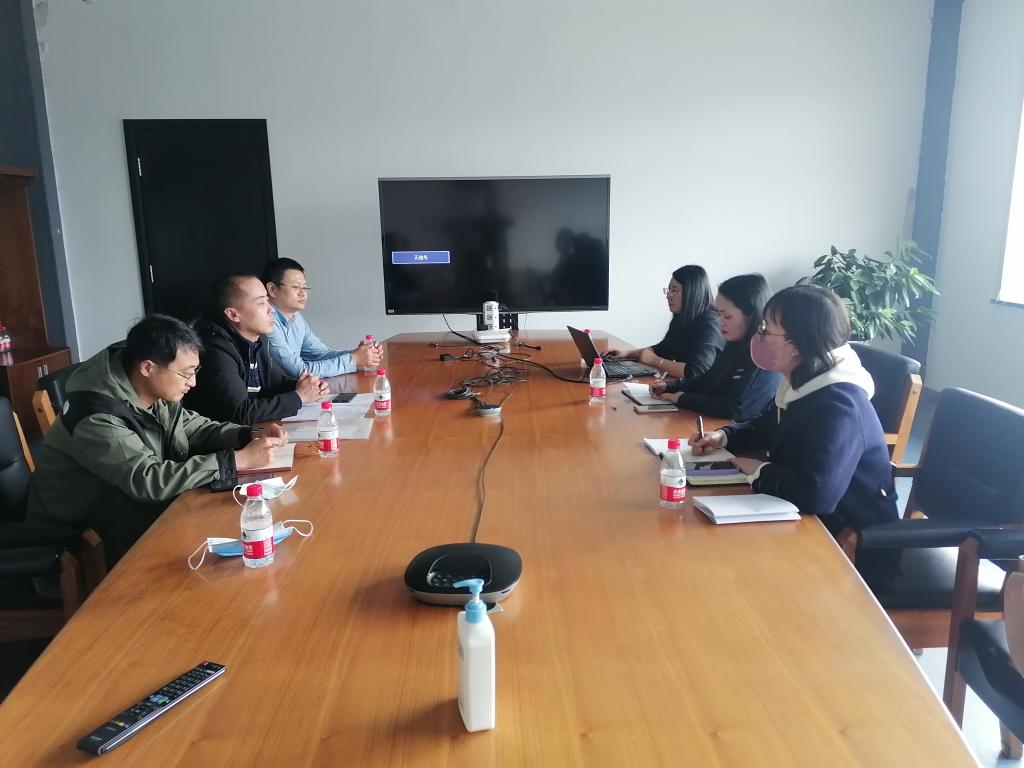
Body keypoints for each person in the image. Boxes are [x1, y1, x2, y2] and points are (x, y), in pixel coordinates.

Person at [27, 314, 287, 568]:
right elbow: (147, 479)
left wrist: (248, 433)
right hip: (83, 526)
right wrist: (236, 460)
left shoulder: (147, 384)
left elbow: (189, 426)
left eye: (195, 370)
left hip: (127, 502)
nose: (193, 382)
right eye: (186, 373)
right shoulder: (96, 416)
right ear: (148, 368)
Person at [689, 285, 898, 582]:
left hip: (852, 543)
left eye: (767, 330)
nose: (759, 336)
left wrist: (759, 470)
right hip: (802, 517)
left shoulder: (840, 403)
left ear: (798, 343)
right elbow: (767, 425)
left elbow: (817, 494)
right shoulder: (803, 379)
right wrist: (723, 437)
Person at [185, 275, 328, 424]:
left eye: (267, 300)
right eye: (261, 303)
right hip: (221, 435)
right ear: (233, 314)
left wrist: (307, 386)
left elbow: (274, 383)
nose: (271, 310)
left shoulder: (257, 339)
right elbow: (240, 412)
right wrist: (299, 397)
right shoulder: (214, 349)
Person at [649, 274, 781, 421]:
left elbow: (736, 408)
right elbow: (708, 379)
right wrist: (670, 386)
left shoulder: (765, 355)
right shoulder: (736, 343)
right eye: (719, 314)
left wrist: (682, 398)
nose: (720, 322)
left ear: (751, 315)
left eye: (727, 316)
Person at [262, 257, 383, 377]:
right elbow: (299, 370)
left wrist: (361, 354)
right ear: (272, 289)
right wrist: (354, 359)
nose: (302, 293)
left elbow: (321, 354)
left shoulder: (296, 317)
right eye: (296, 287)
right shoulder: (266, 321)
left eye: (305, 287)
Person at [605, 264, 723, 379]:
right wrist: (626, 354)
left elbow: (695, 371)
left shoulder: (710, 325)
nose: (668, 296)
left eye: (674, 291)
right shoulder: (681, 318)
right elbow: (664, 349)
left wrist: (655, 361)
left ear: (692, 293)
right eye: (669, 290)